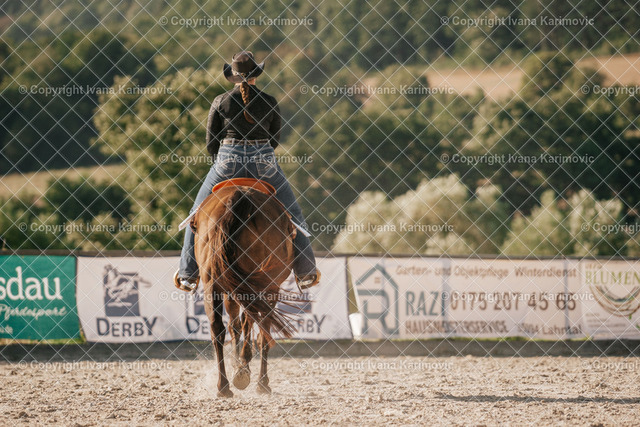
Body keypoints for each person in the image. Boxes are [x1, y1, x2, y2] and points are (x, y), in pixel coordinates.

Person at [175, 51, 320, 292]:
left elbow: (211, 142)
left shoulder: (220, 101)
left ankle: (188, 274)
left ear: (232, 76)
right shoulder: (269, 101)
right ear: (256, 75)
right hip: (263, 161)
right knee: (294, 214)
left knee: (195, 216)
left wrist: (222, 164)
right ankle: (305, 271)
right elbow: (274, 139)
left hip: (227, 161)